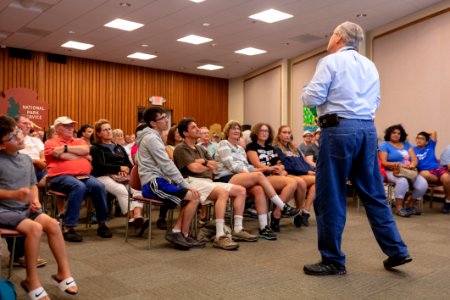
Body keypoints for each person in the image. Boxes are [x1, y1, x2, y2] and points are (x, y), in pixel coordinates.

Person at [301, 21, 411, 276]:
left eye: (331, 34)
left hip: (339, 130)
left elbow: (312, 98)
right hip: (367, 130)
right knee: (373, 193)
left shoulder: (329, 62)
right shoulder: (370, 65)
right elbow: (377, 100)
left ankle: (333, 260)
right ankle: (396, 250)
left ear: (338, 37)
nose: (329, 39)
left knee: (330, 195)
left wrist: (306, 90)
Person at [0, 115, 78, 299]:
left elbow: (33, 184)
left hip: (24, 208)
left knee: (52, 224)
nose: (19, 137)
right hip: (4, 209)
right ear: (2, 144)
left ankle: (63, 273)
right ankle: (32, 280)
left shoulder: (26, 160)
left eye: (18, 132)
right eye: (12, 137)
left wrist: (34, 198)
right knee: (34, 228)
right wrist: (14, 195)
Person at [174, 118, 257, 249]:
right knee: (223, 192)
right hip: (190, 181)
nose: (198, 129)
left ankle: (238, 229)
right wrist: (205, 164)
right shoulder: (181, 148)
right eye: (194, 127)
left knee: (240, 190)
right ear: (185, 133)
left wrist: (203, 162)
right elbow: (193, 169)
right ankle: (220, 235)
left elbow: (215, 166)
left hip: (207, 181)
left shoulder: (200, 149)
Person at [214, 120, 300, 241]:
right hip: (226, 176)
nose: (236, 131)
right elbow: (232, 166)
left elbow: (248, 166)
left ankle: (264, 227)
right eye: (233, 128)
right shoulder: (224, 143)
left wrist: (253, 171)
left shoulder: (239, 148)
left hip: (241, 176)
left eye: (238, 129)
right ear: (227, 131)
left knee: (259, 189)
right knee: (259, 176)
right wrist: (253, 174)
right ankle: (282, 206)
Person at [136, 107, 203, 250]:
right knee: (193, 196)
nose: (167, 119)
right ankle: (181, 233)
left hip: (158, 181)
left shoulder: (154, 137)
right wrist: (184, 184)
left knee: (192, 196)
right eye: (162, 118)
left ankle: (179, 232)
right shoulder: (151, 138)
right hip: (152, 184)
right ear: (153, 123)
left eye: (166, 116)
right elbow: (166, 164)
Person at [44, 116, 112, 242]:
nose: (70, 128)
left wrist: (65, 149)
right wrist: (81, 156)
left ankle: (102, 224)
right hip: (59, 177)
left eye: (71, 126)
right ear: (57, 128)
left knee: (99, 186)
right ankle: (68, 228)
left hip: (83, 176)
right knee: (78, 186)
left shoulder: (80, 141)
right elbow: (62, 156)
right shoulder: (50, 142)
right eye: (66, 126)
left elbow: (86, 150)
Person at [246, 122, 304, 232]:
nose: (264, 133)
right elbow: (257, 164)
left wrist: (280, 168)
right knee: (292, 183)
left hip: (272, 175)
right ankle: (279, 211)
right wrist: (272, 168)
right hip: (260, 176)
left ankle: (279, 212)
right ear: (256, 132)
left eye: (266, 131)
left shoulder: (270, 147)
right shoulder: (251, 146)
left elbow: (279, 162)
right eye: (261, 131)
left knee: (298, 181)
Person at [90, 119, 145, 230]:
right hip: (102, 176)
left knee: (138, 189)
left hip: (122, 176)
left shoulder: (119, 147)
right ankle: (131, 218)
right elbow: (99, 166)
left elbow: (129, 164)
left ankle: (137, 216)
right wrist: (118, 168)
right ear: (98, 133)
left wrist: (126, 170)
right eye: (105, 130)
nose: (109, 132)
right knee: (122, 190)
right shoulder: (95, 148)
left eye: (109, 129)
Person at [379, 124, 428, 217]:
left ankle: (410, 205)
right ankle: (399, 208)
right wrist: (397, 164)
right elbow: (384, 163)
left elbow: (414, 159)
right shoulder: (384, 146)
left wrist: (412, 165)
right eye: (394, 132)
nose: (396, 135)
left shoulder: (407, 145)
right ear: (389, 134)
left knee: (423, 184)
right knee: (403, 181)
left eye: (399, 133)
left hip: (408, 171)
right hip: (392, 171)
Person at [273, 125, 316, 227]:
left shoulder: (294, 148)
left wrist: (311, 170)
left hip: (301, 173)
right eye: (284, 132)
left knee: (316, 182)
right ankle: (302, 212)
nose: (287, 135)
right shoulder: (276, 148)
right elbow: (286, 165)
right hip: (291, 173)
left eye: (289, 133)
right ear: (279, 134)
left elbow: (304, 163)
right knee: (316, 181)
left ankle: (304, 211)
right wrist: (306, 172)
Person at [413, 131, 450, 213]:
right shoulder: (412, 150)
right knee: (422, 174)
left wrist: (424, 133)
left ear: (427, 142)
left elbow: (433, 132)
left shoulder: (430, 146)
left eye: (422, 139)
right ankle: (444, 183)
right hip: (425, 171)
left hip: (437, 168)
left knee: (447, 178)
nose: (419, 140)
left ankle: (448, 201)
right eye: (417, 138)